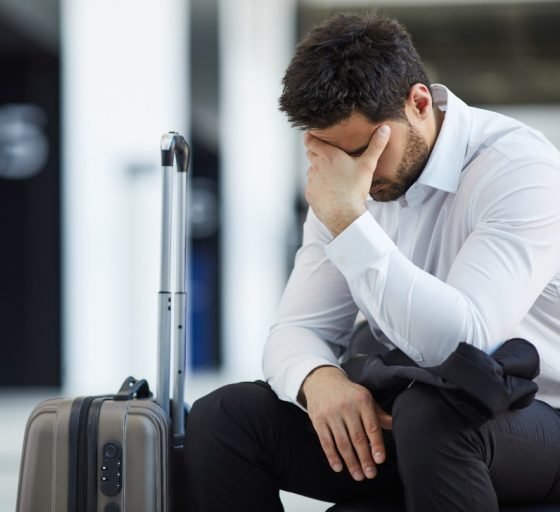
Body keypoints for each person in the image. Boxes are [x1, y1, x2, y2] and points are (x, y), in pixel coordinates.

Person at [184, 12, 560, 512]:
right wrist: (318, 380)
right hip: (409, 413)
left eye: (363, 151)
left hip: (536, 416)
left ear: (419, 103)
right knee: (225, 417)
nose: (352, 176)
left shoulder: (518, 170)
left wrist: (349, 223)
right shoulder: (346, 181)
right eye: (332, 155)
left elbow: (465, 345)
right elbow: (294, 330)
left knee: (432, 416)